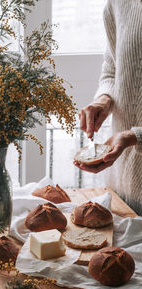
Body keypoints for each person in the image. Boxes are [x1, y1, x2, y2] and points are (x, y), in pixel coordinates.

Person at [74, 0, 142, 216]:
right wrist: (103, 100)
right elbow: (112, 69)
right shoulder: (118, 3)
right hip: (122, 186)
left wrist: (134, 136)